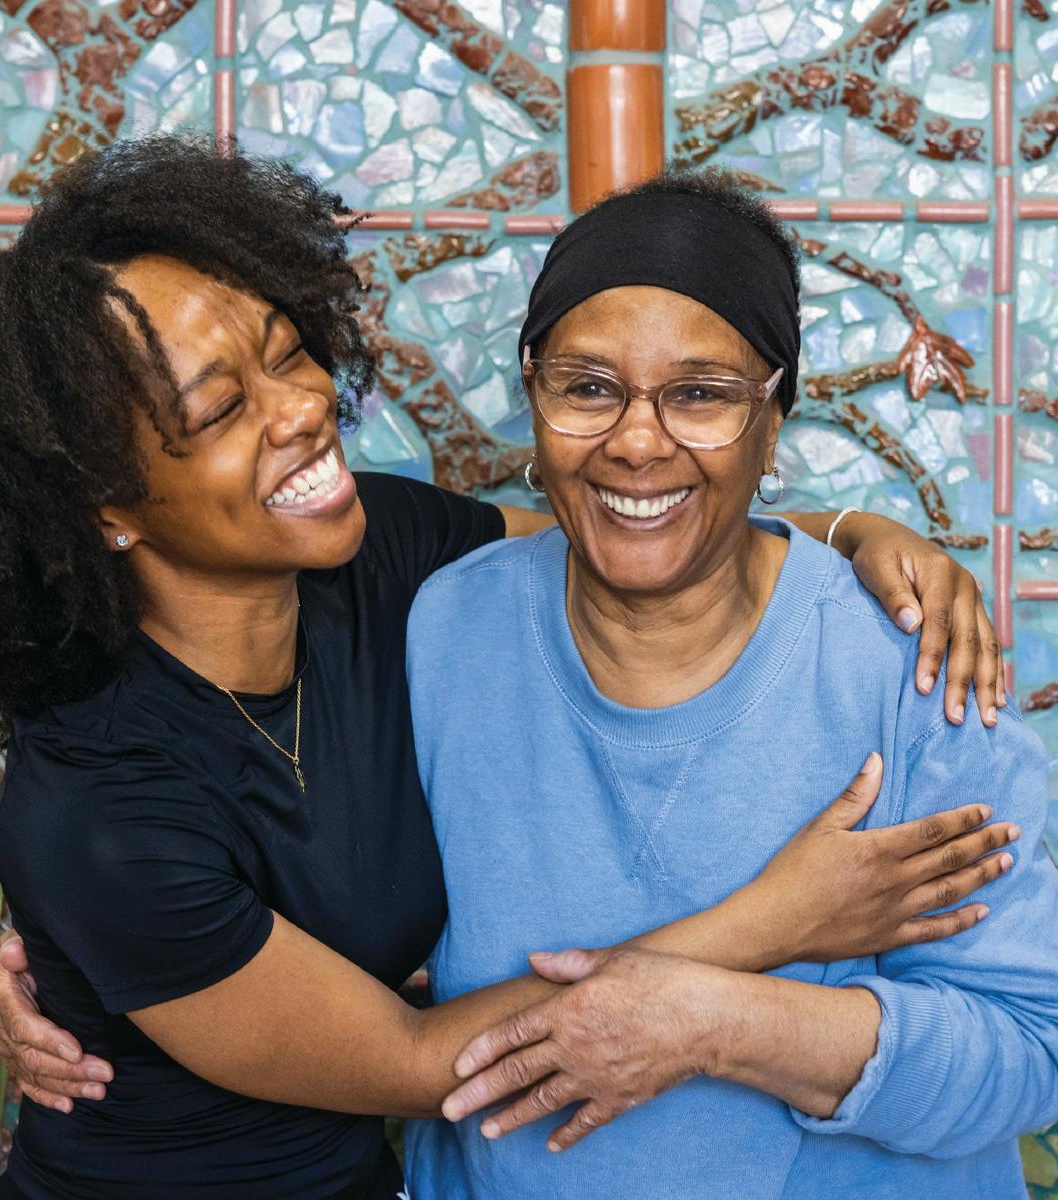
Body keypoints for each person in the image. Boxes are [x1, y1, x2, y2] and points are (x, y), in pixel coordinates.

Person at [0, 136, 1009, 1200]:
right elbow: (423, 1063)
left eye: (289, 352)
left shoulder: (377, 557)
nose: (304, 409)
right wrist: (777, 919)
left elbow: (639, 527)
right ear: (106, 509)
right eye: (221, 409)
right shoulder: (99, 811)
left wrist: (861, 532)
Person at [397, 171, 1058, 1198]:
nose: (637, 440)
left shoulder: (912, 660)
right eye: (586, 386)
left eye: (701, 394)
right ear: (533, 393)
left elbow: (1032, 1053)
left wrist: (710, 1025)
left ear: (775, 415)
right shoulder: (443, 631)